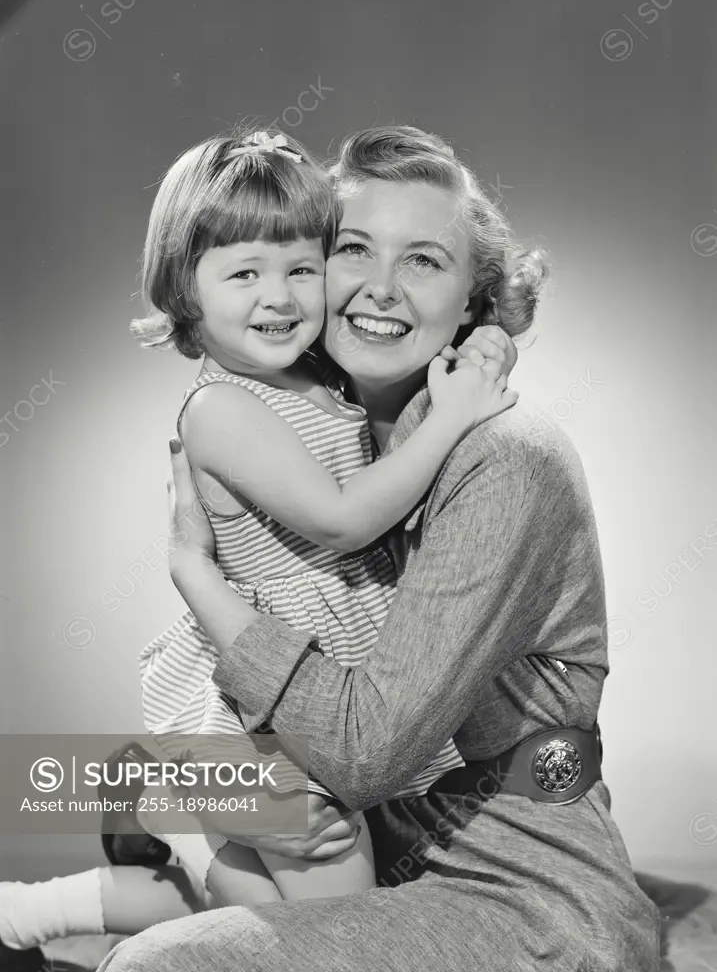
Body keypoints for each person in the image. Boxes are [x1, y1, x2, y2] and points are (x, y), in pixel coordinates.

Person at [96, 125, 663, 971]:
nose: (378, 288)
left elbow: (362, 755)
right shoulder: (333, 409)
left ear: (474, 295)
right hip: (381, 827)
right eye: (353, 248)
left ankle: (158, 811)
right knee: (116, 809)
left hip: (511, 875)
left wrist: (193, 575)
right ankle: (149, 817)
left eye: (424, 261)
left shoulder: (501, 456)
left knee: (161, 960)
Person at [0, 127, 517, 969]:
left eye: (300, 267)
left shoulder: (318, 376)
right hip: (254, 724)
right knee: (343, 926)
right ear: (184, 290)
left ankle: (153, 867)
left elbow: (409, 365)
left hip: (305, 696)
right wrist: (460, 413)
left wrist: (483, 345)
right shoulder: (223, 412)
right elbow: (342, 521)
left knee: (294, 898)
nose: (278, 295)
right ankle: (182, 819)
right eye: (243, 272)